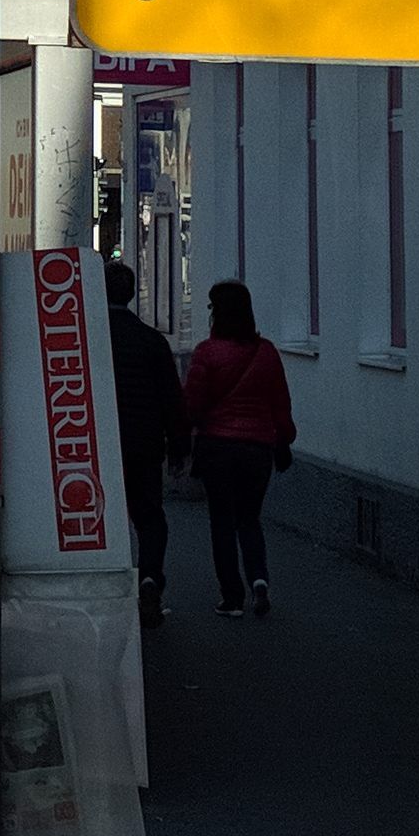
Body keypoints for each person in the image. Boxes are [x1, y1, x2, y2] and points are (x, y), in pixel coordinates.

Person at [177, 278, 294, 618]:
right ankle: (259, 581)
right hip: (258, 449)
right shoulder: (267, 352)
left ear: (218, 313)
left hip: (218, 448)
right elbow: (280, 403)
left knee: (222, 521)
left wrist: (186, 435)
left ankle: (231, 598)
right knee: (250, 519)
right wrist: (283, 439)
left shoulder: (207, 353)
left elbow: (193, 403)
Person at [102, 257, 182, 630]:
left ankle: (105, 595)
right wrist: (179, 447)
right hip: (145, 445)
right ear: (133, 294)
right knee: (149, 517)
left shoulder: (89, 338)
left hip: (99, 446)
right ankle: (150, 578)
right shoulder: (152, 342)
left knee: (102, 519)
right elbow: (172, 398)